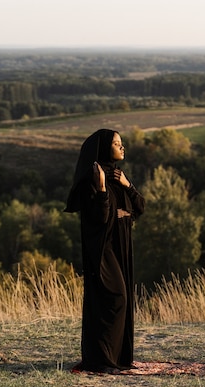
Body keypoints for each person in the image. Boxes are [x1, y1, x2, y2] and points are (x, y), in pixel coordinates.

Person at [65, 128, 145, 374]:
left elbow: (139, 208)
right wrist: (101, 191)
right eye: (117, 143)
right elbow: (100, 218)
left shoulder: (118, 177)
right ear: (103, 149)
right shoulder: (93, 179)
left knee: (123, 298)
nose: (122, 148)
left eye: (122, 143)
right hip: (104, 249)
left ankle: (118, 357)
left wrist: (128, 184)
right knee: (114, 297)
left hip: (122, 247)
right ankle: (102, 359)